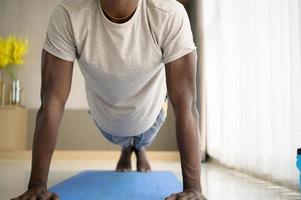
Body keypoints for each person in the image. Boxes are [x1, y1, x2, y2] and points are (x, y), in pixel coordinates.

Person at [11, 0, 207, 199]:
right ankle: (127, 149)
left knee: (141, 138)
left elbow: (186, 103)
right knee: (123, 138)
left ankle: (139, 149)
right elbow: (52, 100)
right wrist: (37, 184)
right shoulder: (69, 14)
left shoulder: (169, 14)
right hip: (105, 120)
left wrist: (193, 187)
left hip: (152, 116)